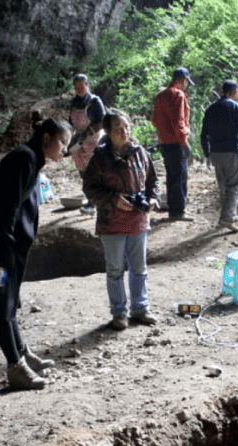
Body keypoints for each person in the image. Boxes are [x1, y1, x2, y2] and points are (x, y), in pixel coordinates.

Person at [0, 117, 71, 390]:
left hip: (8, 247)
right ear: (46, 137)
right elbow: (8, 207)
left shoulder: (32, 159)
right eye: (62, 142)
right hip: (1, 249)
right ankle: (15, 367)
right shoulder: (24, 158)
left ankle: (21, 352)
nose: (64, 150)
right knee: (0, 303)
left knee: (8, 301)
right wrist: (5, 249)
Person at [82, 109, 160, 330]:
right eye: (118, 128)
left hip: (138, 220)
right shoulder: (100, 158)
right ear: (107, 131)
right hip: (111, 222)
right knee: (115, 270)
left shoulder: (140, 152)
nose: (124, 131)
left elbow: (153, 181)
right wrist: (114, 200)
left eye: (126, 127)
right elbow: (89, 188)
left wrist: (153, 199)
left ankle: (140, 309)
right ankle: (119, 313)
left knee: (139, 268)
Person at [200, 80, 238, 233]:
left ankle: (229, 214)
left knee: (223, 185)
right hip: (231, 152)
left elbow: (204, 134)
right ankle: (227, 219)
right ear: (234, 92)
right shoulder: (236, 107)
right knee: (235, 185)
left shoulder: (211, 108)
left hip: (215, 153)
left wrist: (207, 153)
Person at [151, 67, 195, 222]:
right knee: (180, 177)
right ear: (182, 80)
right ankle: (178, 212)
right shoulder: (178, 95)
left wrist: (161, 138)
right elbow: (179, 123)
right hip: (176, 142)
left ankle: (172, 209)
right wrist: (185, 143)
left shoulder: (160, 95)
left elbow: (155, 121)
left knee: (171, 176)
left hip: (165, 143)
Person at [67, 73, 106, 213]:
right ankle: (90, 198)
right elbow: (70, 122)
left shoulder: (95, 101)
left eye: (81, 86)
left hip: (93, 139)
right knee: (83, 171)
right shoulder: (74, 102)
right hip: (79, 140)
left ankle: (94, 202)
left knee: (93, 171)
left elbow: (102, 121)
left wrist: (86, 133)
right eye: (76, 87)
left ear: (87, 85)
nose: (79, 89)